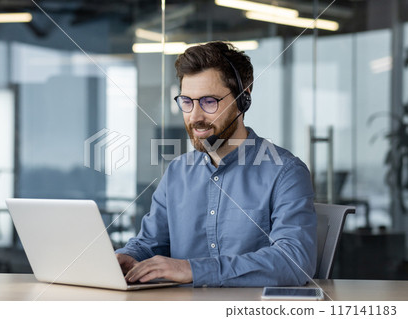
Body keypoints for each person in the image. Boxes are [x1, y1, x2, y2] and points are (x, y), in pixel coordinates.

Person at [116, 41, 316, 287]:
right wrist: (128, 256)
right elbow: (151, 242)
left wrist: (193, 269)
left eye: (209, 102)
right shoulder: (178, 172)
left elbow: (294, 260)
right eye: (187, 102)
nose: (195, 117)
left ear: (244, 99)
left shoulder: (285, 172)